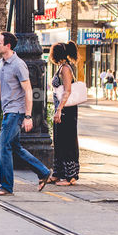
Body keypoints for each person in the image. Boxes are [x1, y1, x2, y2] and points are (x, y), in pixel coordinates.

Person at [0, 31, 53, 196]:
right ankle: (43, 172)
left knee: (3, 146)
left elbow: (28, 90)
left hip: (16, 112)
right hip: (8, 110)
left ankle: (6, 186)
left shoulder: (18, 64)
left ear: (8, 46)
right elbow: (1, 86)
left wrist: (28, 116)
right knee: (15, 147)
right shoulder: (2, 63)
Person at [50, 42, 80, 186]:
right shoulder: (62, 67)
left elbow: (68, 90)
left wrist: (59, 109)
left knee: (67, 141)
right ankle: (58, 173)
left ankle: (70, 177)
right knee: (59, 141)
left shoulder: (65, 69)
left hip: (66, 110)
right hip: (62, 109)